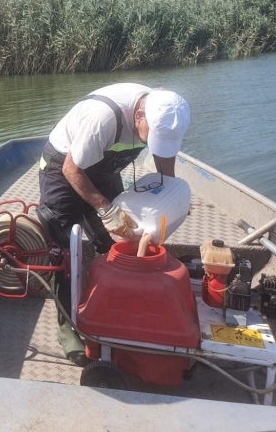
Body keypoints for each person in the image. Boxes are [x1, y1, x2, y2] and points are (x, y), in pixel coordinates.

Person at [37, 83, 191, 365]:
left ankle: (112, 307)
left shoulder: (165, 113)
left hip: (105, 167)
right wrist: (105, 210)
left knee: (118, 242)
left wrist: (173, 196)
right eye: (152, 138)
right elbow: (73, 169)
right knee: (67, 251)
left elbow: (165, 167)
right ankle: (67, 327)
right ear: (139, 115)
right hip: (64, 168)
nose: (152, 144)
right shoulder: (104, 117)